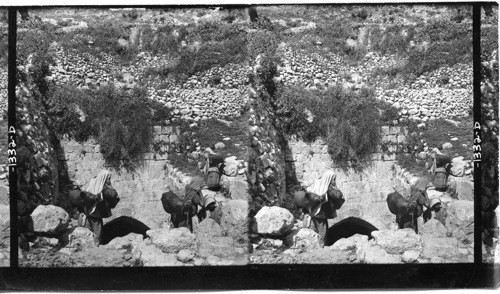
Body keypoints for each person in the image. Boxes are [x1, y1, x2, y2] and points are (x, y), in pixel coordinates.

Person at [304, 170, 345, 247]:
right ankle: (321, 248)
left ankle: (314, 247)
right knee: (322, 233)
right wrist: (336, 188)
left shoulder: (318, 184)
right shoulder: (328, 188)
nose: (334, 181)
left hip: (314, 213)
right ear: (329, 179)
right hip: (321, 214)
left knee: (314, 230)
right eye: (334, 179)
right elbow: (337, 196)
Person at [82, 170, 119, 246]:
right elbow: (113, 195)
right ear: (105, 178)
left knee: (88, 230)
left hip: (88, 212)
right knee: (97, 231)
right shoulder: (104, 188)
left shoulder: (93, 183)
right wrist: (111, 186)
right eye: (109, 178)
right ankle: (96, 246)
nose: (109, 180)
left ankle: (88, 246)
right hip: (96, 213)